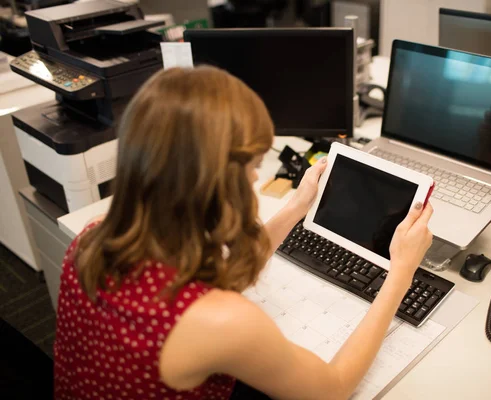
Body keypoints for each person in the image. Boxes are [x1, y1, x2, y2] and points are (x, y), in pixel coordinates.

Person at [53, 66, 434, 400]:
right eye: (252, 167)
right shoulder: (223, 323)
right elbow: (332, 388)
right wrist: (401, 272)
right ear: (219, 183)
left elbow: (220, 277)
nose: (256, 177)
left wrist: (296, 207)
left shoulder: (92, 238)